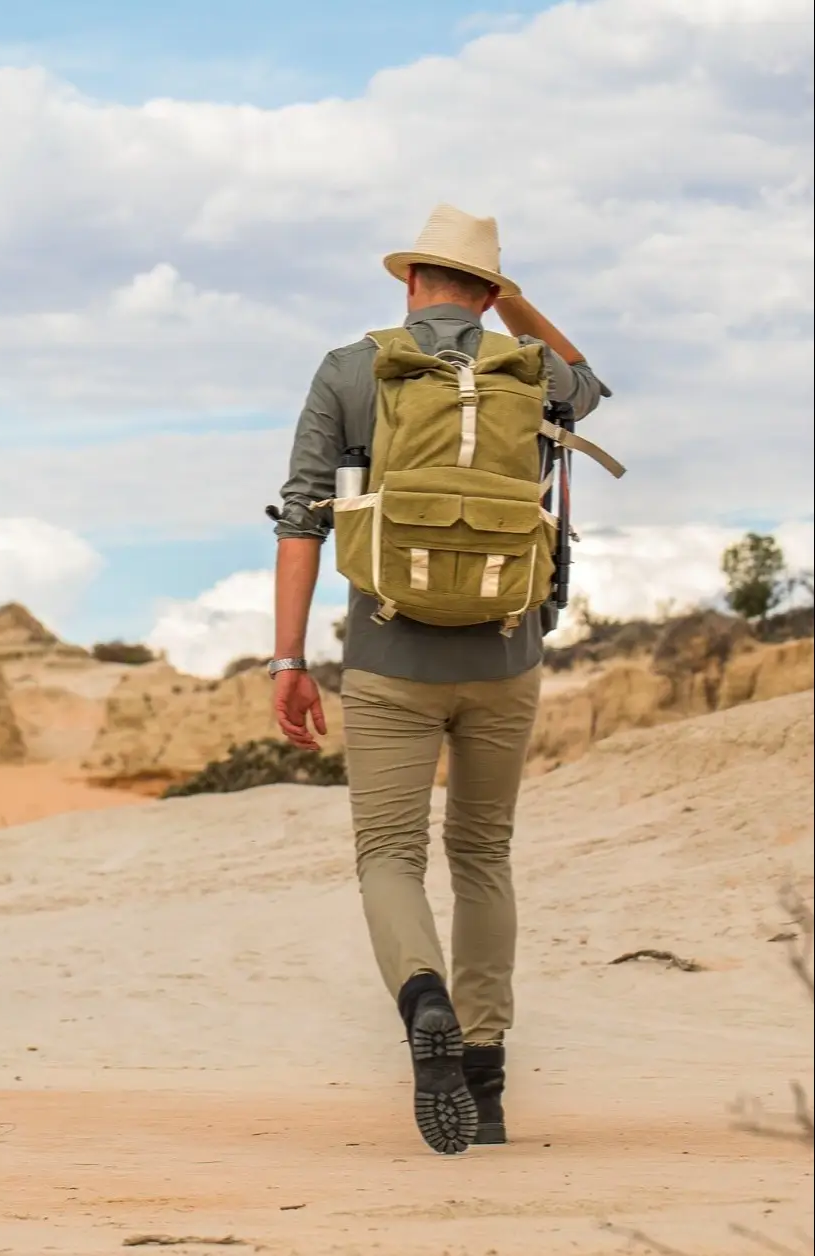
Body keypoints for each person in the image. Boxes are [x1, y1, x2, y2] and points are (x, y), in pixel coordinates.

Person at [267, 204, 608, 1155]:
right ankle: (488, 1083)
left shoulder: (351, 369)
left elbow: (301, 519)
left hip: (387, 652)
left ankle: (424, 1002)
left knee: (389, 853)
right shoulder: (531, 370)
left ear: (409, 282)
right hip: (505, 656)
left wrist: (290, 661)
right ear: (490, 293)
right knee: (482, 855)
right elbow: (595, 388)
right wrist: (521, 309)